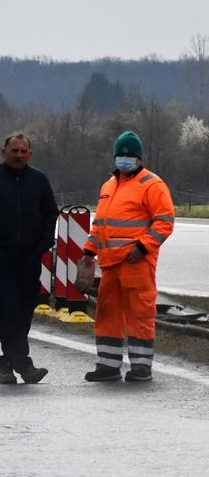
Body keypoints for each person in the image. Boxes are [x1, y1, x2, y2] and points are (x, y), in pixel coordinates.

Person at [76, 130, 175, 382]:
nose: (125, 159)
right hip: (110, 263)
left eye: (130, 155)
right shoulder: (109, 185)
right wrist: (89, 252)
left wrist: (142, 247)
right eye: (121, 154)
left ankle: (141, 366)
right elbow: (100, 224)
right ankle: (108, 365)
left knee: (139, 313)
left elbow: (164, 222)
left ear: (139, 158)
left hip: (136, 262)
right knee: (107, 313)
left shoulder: (152, 185)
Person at [0, 132, 59, 385]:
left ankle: (6, 363)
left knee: (23, 312)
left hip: (30, 258)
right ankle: (25, 366)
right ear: (3, 152)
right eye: (14, 151)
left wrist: (43, 244)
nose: (18, 155)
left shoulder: (39, 180)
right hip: (2, 258)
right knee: (6, 311)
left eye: (23, 151)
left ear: (29, 154)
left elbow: (50, 213)